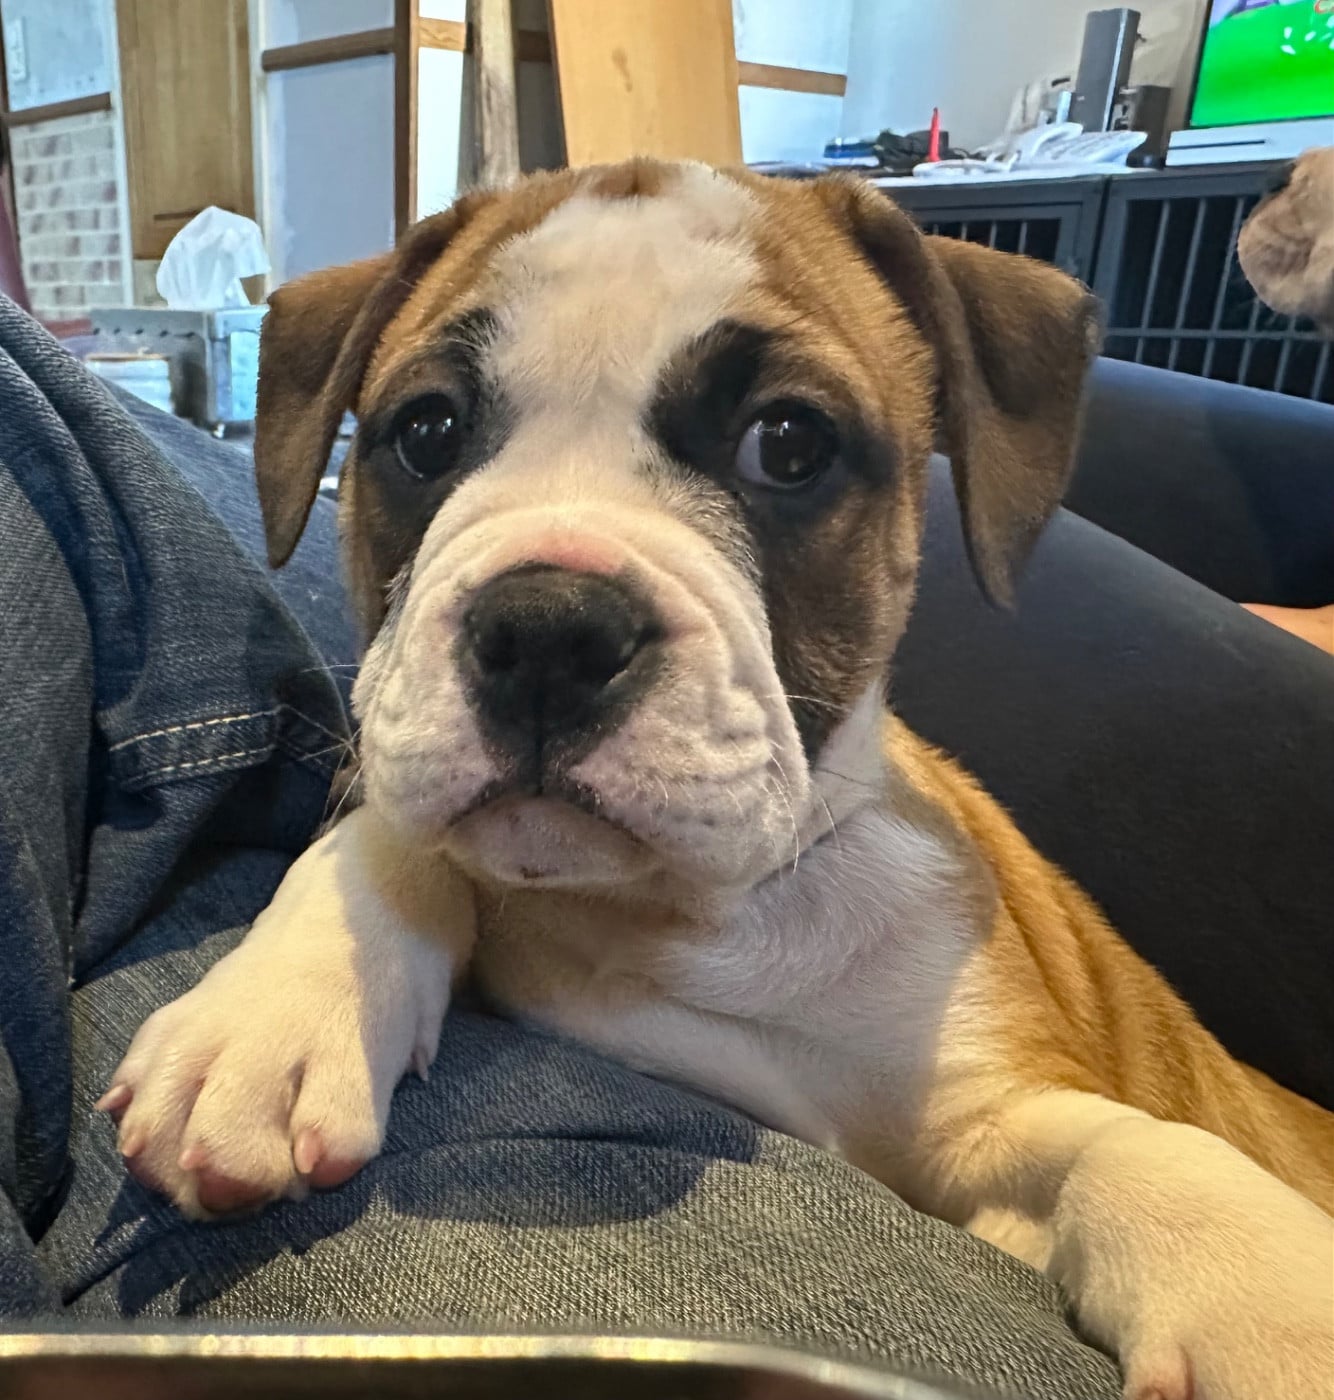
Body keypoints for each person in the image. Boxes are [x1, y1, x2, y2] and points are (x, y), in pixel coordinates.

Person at [1, 293, 1330, 1398]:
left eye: (785, 446)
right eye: (433, 433)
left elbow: (1018, 1142)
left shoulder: (905, 890)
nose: (551, 619)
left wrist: (1144, 1182)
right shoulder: (421, 843)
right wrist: (368, 890)